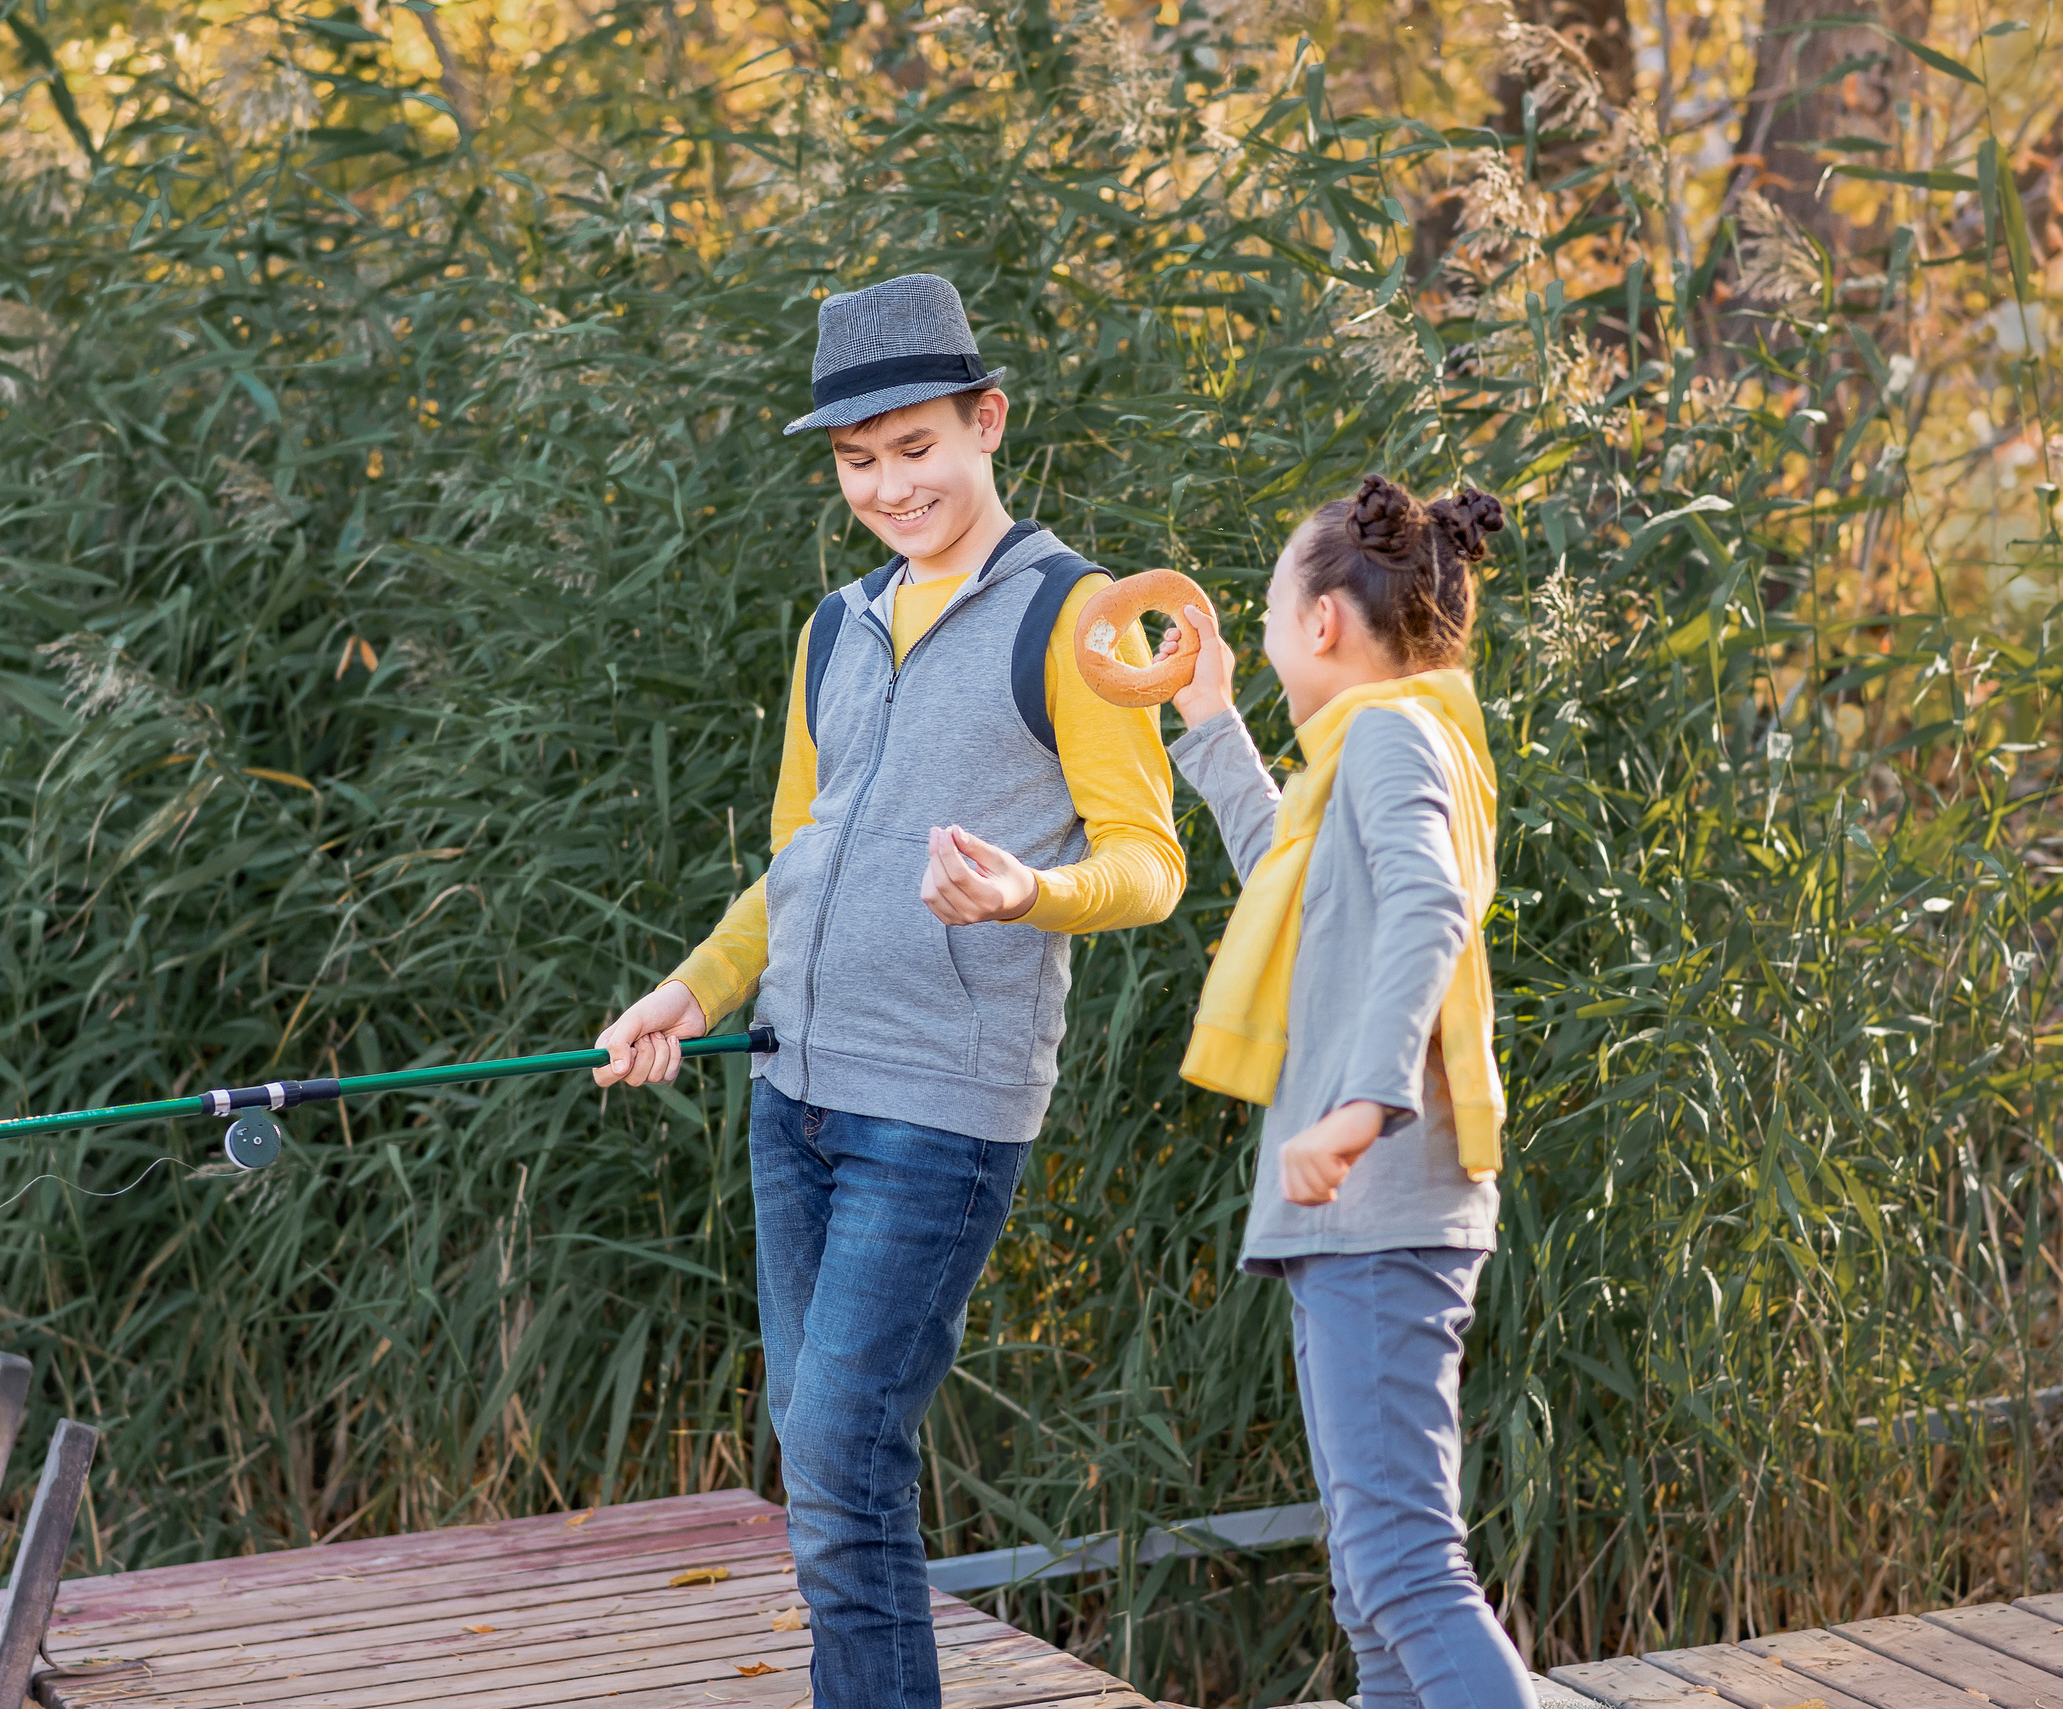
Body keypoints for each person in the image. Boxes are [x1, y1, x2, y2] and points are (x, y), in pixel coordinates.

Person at [589, 272, 1184, 1709]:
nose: (888, 486)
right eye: (858, 462)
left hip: (936, 1116)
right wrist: (694, 987)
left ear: (988, 422)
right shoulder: (834, 630)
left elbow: (1152, 862)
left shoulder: (1076, 614)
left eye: (915, 448)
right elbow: (794, 864)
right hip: (791, 1096)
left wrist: (1025, 893)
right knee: (820, 1450)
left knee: (844, 1453)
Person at [1152, 473, 1533, 1709]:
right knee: (1372, 1597)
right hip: (1358, 1215)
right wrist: (1210, 721)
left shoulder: (1385, 736)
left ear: (1321, 623)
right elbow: (1295, 886)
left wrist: (1367, 1102)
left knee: (1404, 1572)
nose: (1263, 642)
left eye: (1267, 618)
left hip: (1381, 1198)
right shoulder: (1396, 743)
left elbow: (1430, 904)